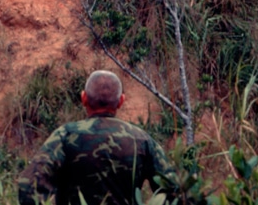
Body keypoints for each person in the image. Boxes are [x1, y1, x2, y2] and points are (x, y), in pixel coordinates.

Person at [18, 70, 181, 205]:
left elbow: (28, 186)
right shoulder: (142, 140)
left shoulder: (66, 135)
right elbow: (174, 193)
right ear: (121, 101)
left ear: (84, 98)